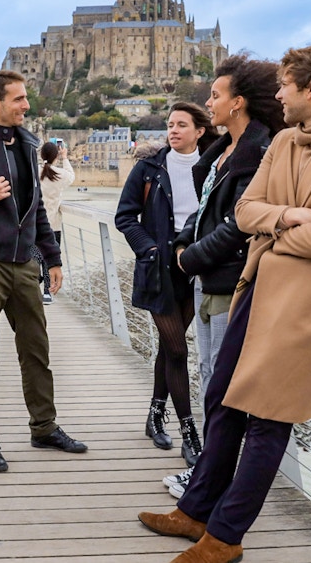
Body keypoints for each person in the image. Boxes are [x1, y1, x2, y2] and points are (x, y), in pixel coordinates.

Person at [137, 44, 311, 563]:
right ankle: (196, 510)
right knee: (224, 399)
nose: (276, 94)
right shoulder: (284, 144)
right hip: (258, 289)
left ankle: (225, 537)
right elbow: (247, 210)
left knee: (269, 419)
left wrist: (275, 233)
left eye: (285, 85)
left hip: (310, 305)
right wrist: (289, 219)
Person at [0, 70, 87, 473]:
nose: (27, 105)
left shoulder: (28, 144)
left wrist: (52, 257)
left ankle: (44, 427)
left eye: (26, 98)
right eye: (19, 99)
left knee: (36, 350)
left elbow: (37, 209)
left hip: (25, 264)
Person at [163, 54, 286, 499]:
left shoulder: (260, 150)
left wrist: (189, 258)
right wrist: (181, 243)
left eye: (215, 95)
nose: (208, 102)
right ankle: (210, 477)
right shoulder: (224, 151)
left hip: (231, 278)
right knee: (209, 373)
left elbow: (240, 222)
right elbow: (207, 211)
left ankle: (211, 480)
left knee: (222, 382)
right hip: (207, 278)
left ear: (237, 103)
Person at [115, 102, 220, 467]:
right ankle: (190, 432)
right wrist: (150, 248)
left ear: (199, 130)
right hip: (159, 267)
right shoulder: (148, 167)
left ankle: (156, 413)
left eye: (181, 125)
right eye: (170, 125)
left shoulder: (214, 166)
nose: (173, 131)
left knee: (169, 346)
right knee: (177, 349)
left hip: (197, 267)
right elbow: (125, 216)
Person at [38, 140, 75, 304]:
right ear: (56, 156)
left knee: (34, 257)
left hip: (34, 224)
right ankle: (47, 292)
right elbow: (71, 176)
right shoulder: (60, 174)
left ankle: (33, 283)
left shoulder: (35, 172)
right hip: (53, 224)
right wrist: (65, 157)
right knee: (49, 259)